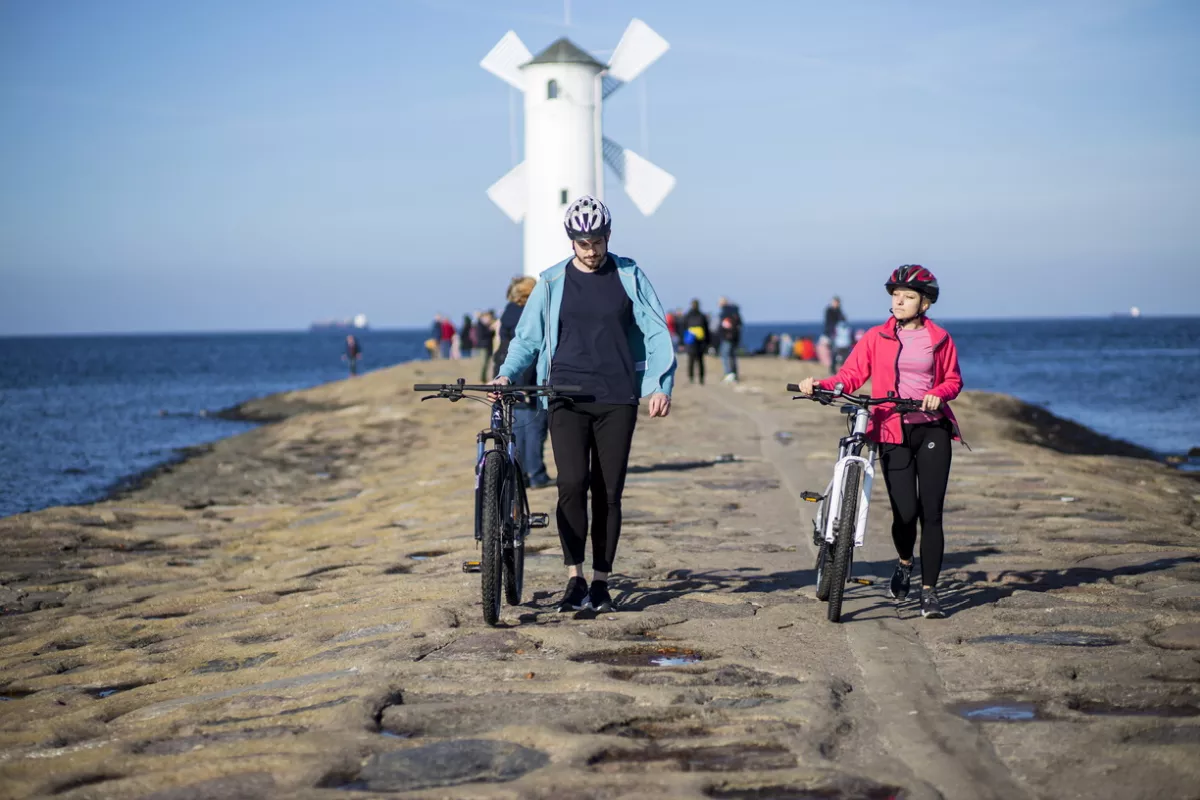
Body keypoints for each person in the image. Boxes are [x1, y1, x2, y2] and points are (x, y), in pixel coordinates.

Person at [494, 195, 675, 613]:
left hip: (617, 397)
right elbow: (528, 338)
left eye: (597, 241)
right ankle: (574, 578)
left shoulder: (629, 275)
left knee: (608, 493)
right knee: (571, 486)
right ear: (571, 241)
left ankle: (601, 582)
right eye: (582, 243)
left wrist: (660, 384)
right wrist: (506, 372)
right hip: (565, 396)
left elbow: (656, 330)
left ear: (608, 236)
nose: (591, 250)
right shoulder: (553, 281)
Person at [794, 265, 963, 619]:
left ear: (925, 304)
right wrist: (819, 385)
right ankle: (904, 562)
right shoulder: (875, 337)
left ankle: (929, 592)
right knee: (905, 513)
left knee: (930, 514)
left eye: (908, 297)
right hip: (890, 429)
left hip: (932, 428)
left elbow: (952, 380)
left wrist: (937, 394)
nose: (899, 301)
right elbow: (850, 376)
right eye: (895, 295)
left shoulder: (940, 339)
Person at [493, 277, 551, 489]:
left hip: (509, 376)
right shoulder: (527, 314)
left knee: (516, 429)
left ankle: (520, 475)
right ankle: (535, 474)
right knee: (534, 429)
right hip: (527, 379)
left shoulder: (509, 311)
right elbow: (527, 348)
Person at [681, 299, 709, 385]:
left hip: (691, 341)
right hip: (699, 341)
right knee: (699, 360)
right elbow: (706, 330)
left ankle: (692, 378)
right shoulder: (701, 316)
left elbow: (683, 328)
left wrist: (682, 342)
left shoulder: (688, 316)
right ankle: (700, 378)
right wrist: (708, 342)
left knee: (692, 360)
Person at [716, 296, 742, 383]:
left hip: (727, 338)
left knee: (725, 355)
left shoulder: (726, 312)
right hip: (734, 337)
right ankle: (734, 374)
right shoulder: (735, 312)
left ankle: (729, 374)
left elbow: (725, 325)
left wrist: (725, 334)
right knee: (732, 356)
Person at [476, 310, 497, 382]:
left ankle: (484, 377)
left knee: (487, 363)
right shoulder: (480, 325)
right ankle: (483, 378)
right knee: (484, 363)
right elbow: (482, 335)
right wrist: (491, 330)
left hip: (487, 346)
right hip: (484, 346)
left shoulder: (484, 325)